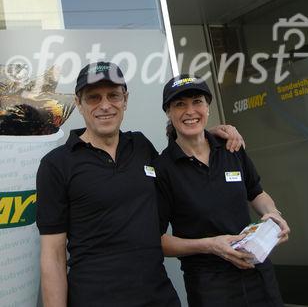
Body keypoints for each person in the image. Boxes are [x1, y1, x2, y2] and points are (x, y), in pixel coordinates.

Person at [36, 62, 244, 307]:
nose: (105, 105)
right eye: (93, 97)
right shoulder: (56, 164)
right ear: (79, 103)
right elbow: (53, 256)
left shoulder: (141, 146)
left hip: (159, 296)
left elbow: (182, 161)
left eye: (113, 95)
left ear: (125, 100)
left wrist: (209, 133)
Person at [154, 74, 290, 307]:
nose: (190, 111)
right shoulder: (163, 168)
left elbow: (256, 192)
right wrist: (209, 245)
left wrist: (274, 214)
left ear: (207, 106)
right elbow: (158, 241)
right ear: (168, 111)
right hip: (210, 286)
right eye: (180, 104)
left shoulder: (231, 148)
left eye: (197, 101)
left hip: (257, 270)